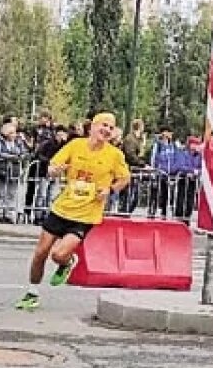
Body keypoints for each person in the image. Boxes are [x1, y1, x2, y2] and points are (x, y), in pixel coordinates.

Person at [15, 113, 130, 310]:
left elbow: (125, 178)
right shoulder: (76, 145)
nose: (107, 130)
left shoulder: (114, 155)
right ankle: (32, 293)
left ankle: (67, 262)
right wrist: (54, 170)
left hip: (86, 214)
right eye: (104, 125)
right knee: (40, 253)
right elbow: (53, 166)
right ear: (92, 127)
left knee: (58, 255)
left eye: (111, 128)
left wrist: (110, 190)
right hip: (62, 207)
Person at [0, 123, 28, 223]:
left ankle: (9, 214)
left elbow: (23, 152)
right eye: (11, 133)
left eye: (14, 133)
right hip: (2, 169)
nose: (14, 135)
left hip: (14, 170)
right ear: (6, 133)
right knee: (1, 193)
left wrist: (19, 155)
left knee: (12, 193)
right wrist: (12, 156)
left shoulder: (18, 141)